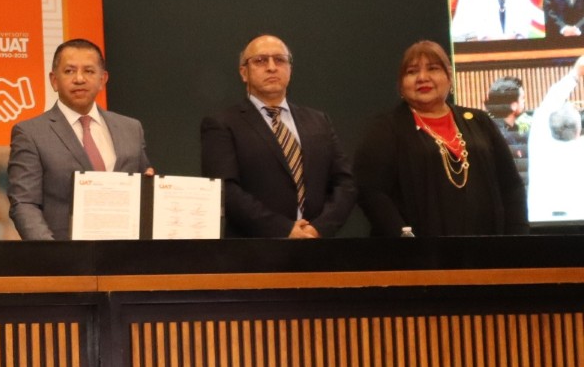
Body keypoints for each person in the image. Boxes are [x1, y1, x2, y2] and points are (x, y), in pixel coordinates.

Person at [355, 39, 527, 236]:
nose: (422, 78)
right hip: (418, 250)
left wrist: (517, 238)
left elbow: (511, 186)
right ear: (401, 85)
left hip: (487, 248)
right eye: (412, 72)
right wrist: (402, 236)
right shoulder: (387, 128)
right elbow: (370, 190)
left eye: (433, 69)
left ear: (449, 77)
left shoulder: (479, 121)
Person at [199, 35, 356, 238]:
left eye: (280, 60)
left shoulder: (319, 121)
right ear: (244, 72)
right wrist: (285, 229)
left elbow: (345, 184)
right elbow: (225, 190)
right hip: (254, 249)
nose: (272, 67)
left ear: (290, 69)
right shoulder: (222, 124)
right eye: (260, 60)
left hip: (316, 246)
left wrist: (318, 229)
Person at [7, 39, 150, 240]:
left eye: (89, 71)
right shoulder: (30, 133)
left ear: (103, 79)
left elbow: (145, 187)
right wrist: (51, 251)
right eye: (69, 71)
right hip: (63, 255)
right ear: (54, 80)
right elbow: (24, 203)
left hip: (125, 252)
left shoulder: (131, 129)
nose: (79, 79)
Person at [526, 55, 584, 223]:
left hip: (539, 222)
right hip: (579, 223)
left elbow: (546, 107)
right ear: (578, 131)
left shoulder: (539, 141)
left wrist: (575, 74)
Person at [485, 76, 530, 190]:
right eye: (522, 98)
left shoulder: (512, 130)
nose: (524, 102)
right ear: (513, 105)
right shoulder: (499, 136)